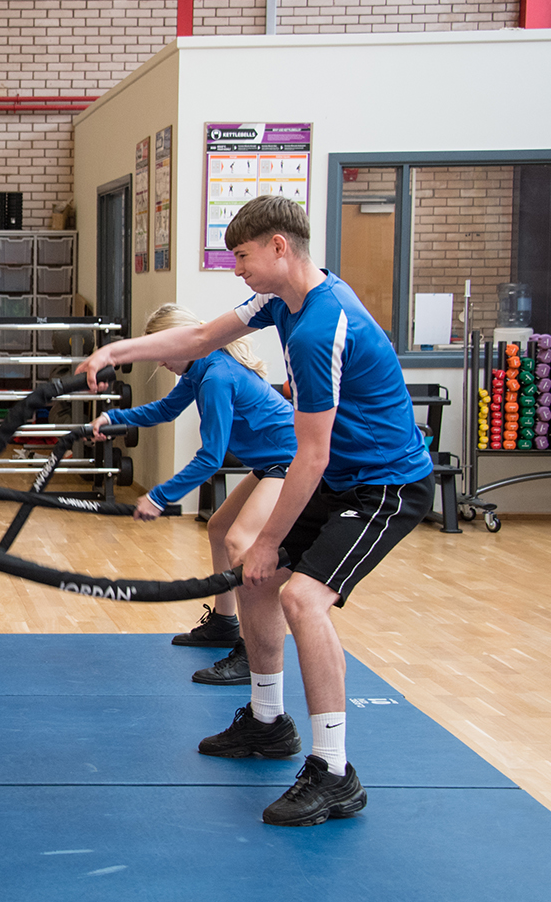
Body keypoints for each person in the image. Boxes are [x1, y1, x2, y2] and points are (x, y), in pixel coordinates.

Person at [78, 195, 434, 826]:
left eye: (241, 256)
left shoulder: (324, 327)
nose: (235, 269)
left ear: (278, 247)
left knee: (300, 596)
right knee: (256, 578)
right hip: (343, 475)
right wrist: (117, 351)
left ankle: (334, 771)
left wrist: (268, 539)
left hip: (384, 485)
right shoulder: (277, 302)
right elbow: (198, 335)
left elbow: (312, 457)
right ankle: (268, 723)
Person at [87, 303, 295, 686]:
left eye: (165, 351)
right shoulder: (201, 369)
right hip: (271, 463)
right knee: (219, 529)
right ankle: (224, 623)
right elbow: (165, 410)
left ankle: (253, 654)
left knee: (240, 542)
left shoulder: (217, 376)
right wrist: (113, 419)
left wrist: (160, 496)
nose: (161, 362)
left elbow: (211, 458)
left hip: (291, 464)